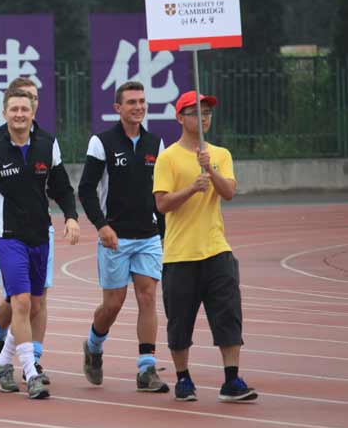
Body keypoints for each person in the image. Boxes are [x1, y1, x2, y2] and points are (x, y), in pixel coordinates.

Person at [0, 88, 75, 400]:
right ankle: (31, 372)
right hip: (7, 238)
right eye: (14, 109)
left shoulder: (47, 146)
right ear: (5, 113)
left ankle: (1, 362)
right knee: (21, 303)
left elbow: (62, 187)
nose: (20, 114)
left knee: (35, 305)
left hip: (40, 237)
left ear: (33, 112)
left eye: (25, 109)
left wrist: (71, 217)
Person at [153, 90, 258, 403]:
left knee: (228, 315)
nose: (203, 118)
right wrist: (190, 188)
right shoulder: (168, 157)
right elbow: (162, 204)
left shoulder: (220, 154)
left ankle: (231, 379)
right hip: (180, 254)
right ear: (180, 118)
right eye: (195, 112)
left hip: (216, 250)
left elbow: (228, 192)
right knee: (180, 321)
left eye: (208, 113)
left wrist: (209, 170)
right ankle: (183, 378)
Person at [77, 81, 168, 393]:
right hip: (114, 237)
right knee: (113, 304)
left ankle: (146, 368)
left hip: (148, 236)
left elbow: (162, 192)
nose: (138, 107)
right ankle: (93, 345)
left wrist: (164, 233)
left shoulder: (156, 144)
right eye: (131, 102)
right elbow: (86, 190)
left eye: (142, 101)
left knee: (147, 297)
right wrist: (102, 226)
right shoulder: (102, 142)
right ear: (118, 108)